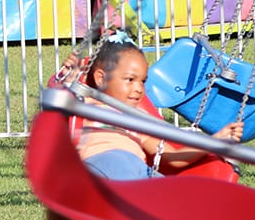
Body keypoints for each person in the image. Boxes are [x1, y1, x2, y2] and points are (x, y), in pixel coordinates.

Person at [77, 36, 244, 180]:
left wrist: (214, 141)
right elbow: (60, 92)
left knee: (172, 192)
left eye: (143, 81)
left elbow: (172, 158)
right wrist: (72, 70)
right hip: (101, 164)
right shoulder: (86, 103)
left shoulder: (138, 118)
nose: (138, 88)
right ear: (100, 78)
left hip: (137, 169)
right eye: (130, 79)